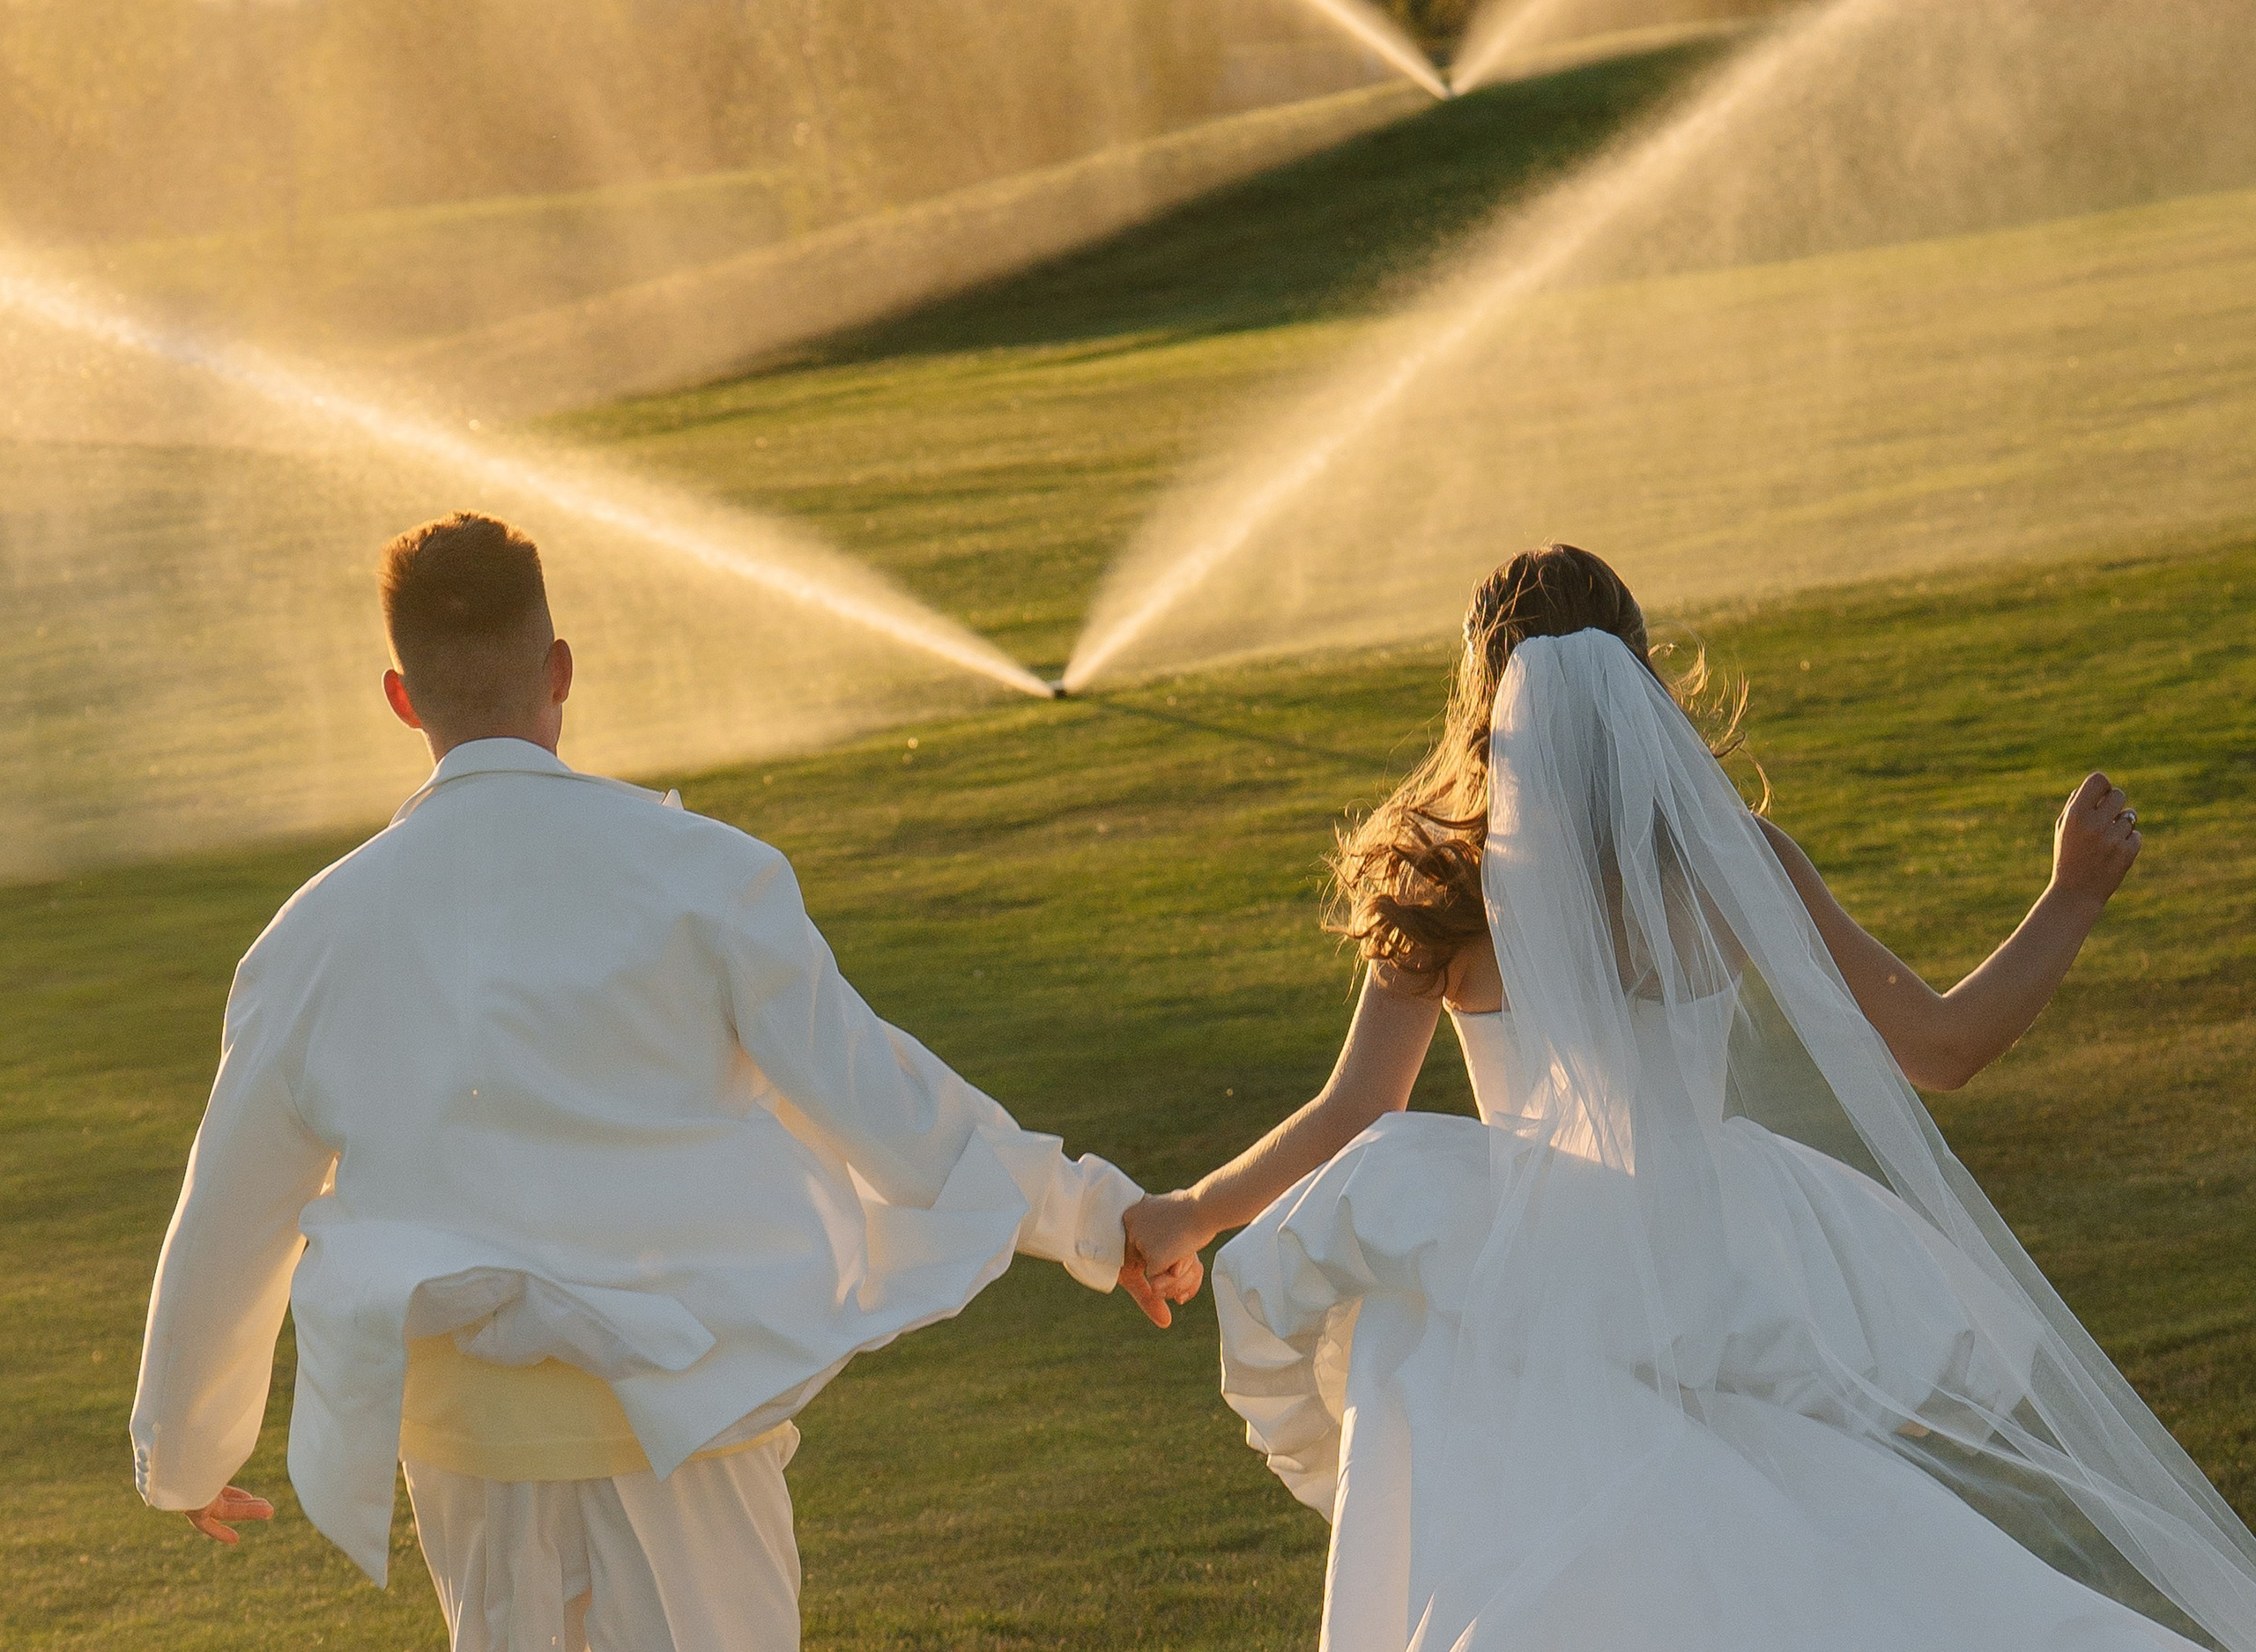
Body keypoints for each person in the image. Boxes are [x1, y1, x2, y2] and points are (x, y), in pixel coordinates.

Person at [1123, 543, 2256, 1652]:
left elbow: (1353, 1112)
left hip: (1527, 1269)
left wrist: (1192, 1206)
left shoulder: (1446, 890)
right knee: (1770, 1517)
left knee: (1564, 1541)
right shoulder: (1729, 861)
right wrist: (2067, 898)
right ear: (1642, 679)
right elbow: (1942, 1045)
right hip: (1711, 1253)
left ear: (1483, 698)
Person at [133, 511, 1169, 1651]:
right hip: (692, 1433)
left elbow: (230, 1214)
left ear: (401, 694)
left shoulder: (314, 934)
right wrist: (1095, 1216)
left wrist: (183, 1450)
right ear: (560, 669)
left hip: (476, 1456)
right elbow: (886, 1102)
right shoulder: (703, 872)